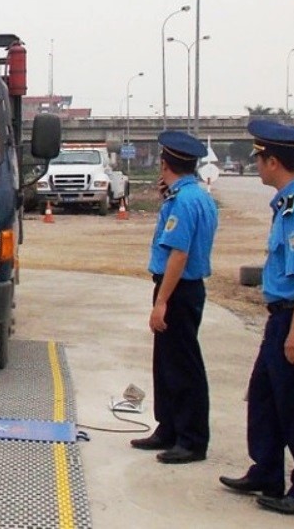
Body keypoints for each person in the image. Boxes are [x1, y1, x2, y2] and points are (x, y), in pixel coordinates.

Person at [219, 120, 294, 516]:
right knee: (265, 398)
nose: (257, 167)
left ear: (272, 161)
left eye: (259, 159)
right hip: (283, 317)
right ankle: (267, 471)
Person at [130, 130, 218, 464]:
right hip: (181, 287)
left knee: (182, 365)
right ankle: (168, 428)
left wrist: (162, 301)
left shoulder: (183, 201)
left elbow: (178, 254)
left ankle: (191, 439)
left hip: (178, 288)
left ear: (165, 163)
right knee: (166, 363)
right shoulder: (196, 195)